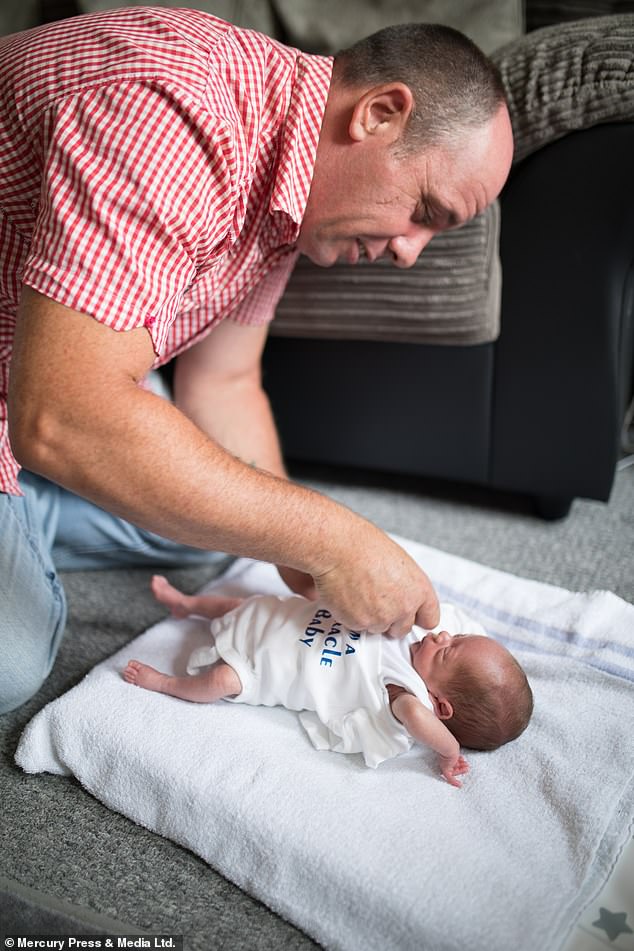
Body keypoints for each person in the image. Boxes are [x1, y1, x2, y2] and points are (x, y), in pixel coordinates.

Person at [0, 8, 514, 713]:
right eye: (425, 209)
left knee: (211, 520)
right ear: (380, 114)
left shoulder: (292, 196)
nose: (409, 249)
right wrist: (333, 540)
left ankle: (28, 500)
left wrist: (299, 553)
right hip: (46, 395)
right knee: (12, 657)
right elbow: (60, 413)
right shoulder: (174, 111)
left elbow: (224, 381)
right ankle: (30, 500)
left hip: (41, 372)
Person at [123, 576, 533, 787]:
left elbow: (416, 722)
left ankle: (164, 684)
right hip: (284, 618)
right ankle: (186, 604)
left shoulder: (404, 691)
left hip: (263, 667)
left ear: (440, 705)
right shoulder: (413, 638)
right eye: (454, 637)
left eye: (447, 650)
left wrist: (448, 750)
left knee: (220, 681)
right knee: (238, 604)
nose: (442, 636)